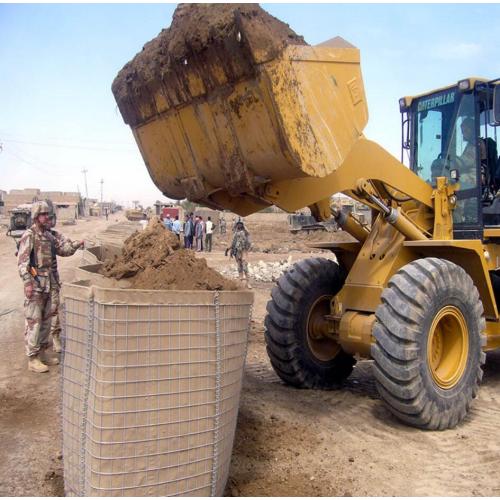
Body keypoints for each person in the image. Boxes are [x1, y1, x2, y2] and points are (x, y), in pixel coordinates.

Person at [17, 201, 84, 373]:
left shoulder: (48, 236)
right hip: (36, 285)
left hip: (49, 285)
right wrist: (27, 283)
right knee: (34, 322)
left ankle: (43, 353)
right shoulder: (29, 235)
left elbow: (64, 250)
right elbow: (22, 262)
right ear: (36, 217)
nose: (47, 217)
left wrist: (77, 244)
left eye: (48, 214)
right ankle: (32, 358)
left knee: (46, 322)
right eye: (44, 214)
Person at [227, 221, 252, 289]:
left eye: (240, 224)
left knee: (245, 267)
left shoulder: (245, 232)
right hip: (237, 252)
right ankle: (240, 282)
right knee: (239, 267)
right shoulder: (235, 233)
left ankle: (248, 283)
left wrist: (247, 250)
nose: (239, 225)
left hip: (243, 251)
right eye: (238, 224)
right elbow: (233, 242)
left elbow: (249, 241)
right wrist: (229, 249)